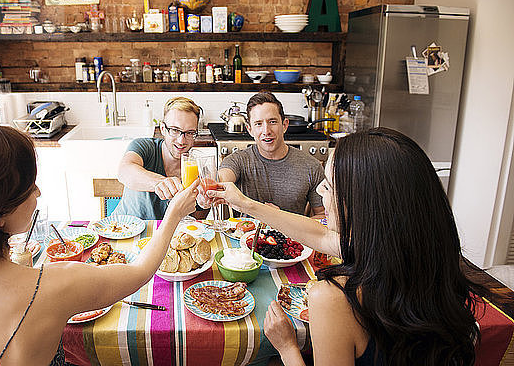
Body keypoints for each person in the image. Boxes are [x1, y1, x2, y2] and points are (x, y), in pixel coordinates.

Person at [0, 125, 198, 365]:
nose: (37, 191)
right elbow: (140, 271)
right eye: (30, 185)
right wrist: (173, 213)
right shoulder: (49, 285)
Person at [208, 128, 488, 365]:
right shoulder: (429, 263)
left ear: (361, 206)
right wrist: (245, 204)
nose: (319, 191)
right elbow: (321, 236)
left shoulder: (333, 299)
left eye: (329, 186)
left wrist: (287, 348)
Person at [218, 91, 325, 217]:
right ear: (250, 129)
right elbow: (222, 181)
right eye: (258, 124)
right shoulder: (237, 160)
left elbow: (323, 216)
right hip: (245, 236)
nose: (266, 131)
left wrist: (279, 217)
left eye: (272, 122)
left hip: (292, 236)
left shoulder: (311, 166)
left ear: (284, 125)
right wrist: (214, 189)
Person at [114, 96, 205, 220]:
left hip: (168, 236)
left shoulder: (197, 168)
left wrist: (202, 204)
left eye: (189, 133)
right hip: (124, 229)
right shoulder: (144, 146)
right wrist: (160, 182)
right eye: (174, 130)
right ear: (163, 129)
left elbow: (196, 221)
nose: (181, 140)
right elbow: (124, 171)